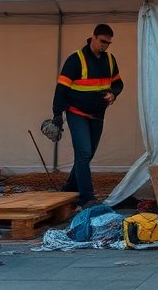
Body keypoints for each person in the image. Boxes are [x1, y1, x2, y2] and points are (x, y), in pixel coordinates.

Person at [52, 25, 124, 208]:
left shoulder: (109, 60)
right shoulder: (75, 60)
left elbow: (118, 84)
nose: (105, 46)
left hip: (97, 115)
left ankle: (69, 188)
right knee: (83, 153)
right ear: (92, 37)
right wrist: (57, 114)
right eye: (102, 42)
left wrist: (113, 94)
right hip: (76, 113)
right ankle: (87, 198)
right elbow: (61, 89)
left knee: (87, 155)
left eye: (108, 43)